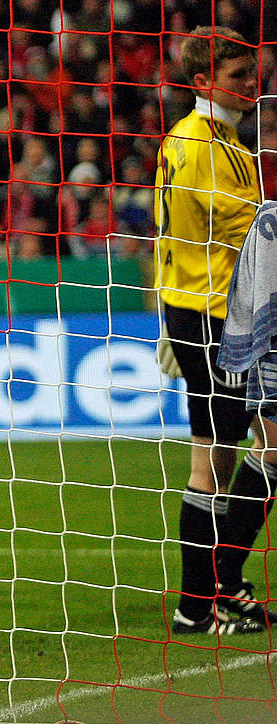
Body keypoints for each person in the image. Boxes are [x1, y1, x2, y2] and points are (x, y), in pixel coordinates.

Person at [154, 26, 273, 635]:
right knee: (214, 454)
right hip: (210, 315)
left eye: (254, 74)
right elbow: (237, 226)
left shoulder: (227, 140)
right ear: (203, 82)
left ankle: (220, 588)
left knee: (259, 445)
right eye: (238, 77)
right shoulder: (198, 143)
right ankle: (200, 604)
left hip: (235, 309)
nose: (252, 84)